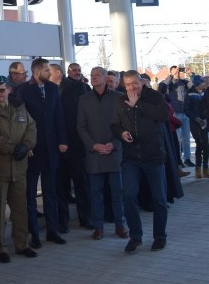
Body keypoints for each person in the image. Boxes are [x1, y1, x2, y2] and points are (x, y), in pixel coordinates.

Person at [0, 76, 38, 262]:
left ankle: (22, 244)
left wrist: (27, 145)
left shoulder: (19, 106)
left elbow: (31, 126)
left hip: (20, 167)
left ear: (9, 90)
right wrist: (14, 148)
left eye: (2, 90)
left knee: (20, 209)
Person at [111, 70, 169, 253]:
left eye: (134, 83)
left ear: (141, 81)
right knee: (128, 195)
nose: (132, 88)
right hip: (131, 157)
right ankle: (136, 236)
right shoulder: (120, 101)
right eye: (127, 85)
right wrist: (121, 133)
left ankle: (160, 236)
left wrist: (138, 105)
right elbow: (114, 125)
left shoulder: (154, 96)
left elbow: (163, 115)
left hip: (153, 156)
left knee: (159, 199)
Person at [16, 57, 68, 248]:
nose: (50, 73)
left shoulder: (53, 89)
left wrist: (63, 140)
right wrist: (25, 145)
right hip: (32, 150)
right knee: (30, 194)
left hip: (51, 148)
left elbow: (58, 115)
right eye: (46, 70)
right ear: (37, 72)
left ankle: (52, 231)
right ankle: (34, 234)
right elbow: (20, 120)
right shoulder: (23, 91)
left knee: (51, 192)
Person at [76, 66, 126, 240]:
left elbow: (124, 125)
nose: (93, 77)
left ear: (106, 78)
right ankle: (98, 227)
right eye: (92, 75)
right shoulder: (84, 99)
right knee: (95, 192)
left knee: (117, 192)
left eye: (97, 75)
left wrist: (113, 144)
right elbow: (80, 127)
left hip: (114, 151)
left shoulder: (119, 98)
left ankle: (120, 225)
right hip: (94, 153)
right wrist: (94, 145)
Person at [57, 62, 92, 232]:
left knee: (81, 184)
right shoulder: (59, 90)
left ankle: (84, 218)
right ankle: (64, 221)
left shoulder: (84, 88)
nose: (77, 73)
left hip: (78, 145)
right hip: (63, 145)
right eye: (74, 70)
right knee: (63, 186)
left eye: (79, 70)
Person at [158, 66, 192, 166]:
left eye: (178, 70)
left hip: (185, 113)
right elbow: (163, 86)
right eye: (175, 70)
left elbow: (194, 86)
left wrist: (190, 74)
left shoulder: (184, 82)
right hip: (176, 113)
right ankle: (178, 159)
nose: (178, 72)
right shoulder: (170, 84)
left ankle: (187, 158)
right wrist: (171, 75)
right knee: (177, 138)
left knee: (186, 138)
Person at [185, 75, 209, 178]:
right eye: (202, 82)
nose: (204, 84)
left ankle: (206, 167)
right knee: (199, 144)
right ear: (196, 84)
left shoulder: (205, 93)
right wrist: (195, 118)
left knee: (206, 146)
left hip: (204, 122)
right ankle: (198, 169)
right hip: (195, 123)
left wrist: (206, 117)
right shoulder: (190, 94)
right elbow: (186, 109)